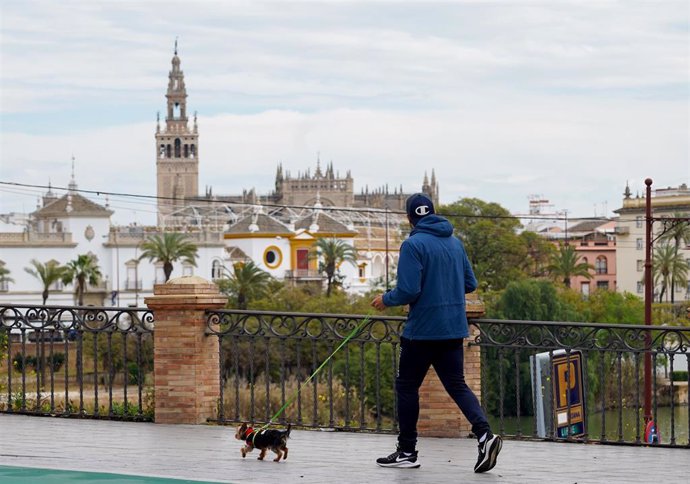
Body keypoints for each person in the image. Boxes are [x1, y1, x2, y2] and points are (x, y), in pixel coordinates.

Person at [372, 193, 501, 472]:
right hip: (454, 328)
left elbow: (408, 290)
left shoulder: (412, 245)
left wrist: (386, 299)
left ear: (410, 217)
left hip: (421, 331)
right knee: (456, 384)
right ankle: (484, 435)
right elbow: (470, 283)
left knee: (407, 386)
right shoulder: (455, 243)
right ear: (432, 213)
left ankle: (407, 451)